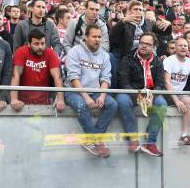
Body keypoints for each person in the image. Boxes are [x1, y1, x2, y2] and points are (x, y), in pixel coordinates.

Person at [64, 25, 117, 158]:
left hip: (95, 90)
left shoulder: (104, 55)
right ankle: (94, 139)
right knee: (82, 105)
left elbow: (106, 78)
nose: (97, 39)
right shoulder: (75, 51)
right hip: (73, 91)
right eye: (94, 36)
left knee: (112, 104)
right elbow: (73, 78)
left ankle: (94, 139)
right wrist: (87, 98)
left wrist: (103, 96)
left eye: (99, 37)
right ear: (85, 37)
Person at [116, 32, 167, 157]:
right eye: (142, 43)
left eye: (148, 44)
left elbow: (160, 84)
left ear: (153, 47)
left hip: (150, 94)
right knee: (122, 100)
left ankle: (150, 142)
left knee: (162, 104)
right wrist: (139, 98)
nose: (143, 46)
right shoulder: (127, 58)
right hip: (131, 93)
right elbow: (123, 82)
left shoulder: (158, 62)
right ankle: (133, 138)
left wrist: (151, 97)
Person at [11, 28, 65, 110]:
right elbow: (16, 75)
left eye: (42, 43)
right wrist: (14, 99)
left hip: (44, 101)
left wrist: (60, 100)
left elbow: (57, 76)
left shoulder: (50, 53)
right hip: (22, 102)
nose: (40, 47)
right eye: (36, 44)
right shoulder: (21, 52)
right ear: (29, 44)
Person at [163, 37, 190, 146]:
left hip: (179, 92)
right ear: (175, 48)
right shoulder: (169, 60)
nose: (183, 47)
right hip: (166, 92)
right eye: (180, 45)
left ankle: (184, 135)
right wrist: (176, 101)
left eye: (185, 45)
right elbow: (167, 82)